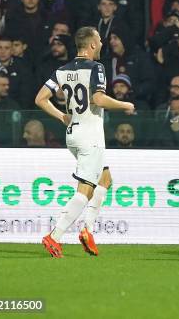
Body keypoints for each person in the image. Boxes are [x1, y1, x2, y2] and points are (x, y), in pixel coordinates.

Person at [36, 27, 134, 258]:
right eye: (99, 40)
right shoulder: (96, 67)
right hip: (90, 137)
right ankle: (55, 236)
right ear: (91, 44)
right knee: (85, 190)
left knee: (105, 179)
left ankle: (87, 230)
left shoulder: (62, 70)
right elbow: (98, 98)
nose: (101, 43)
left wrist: (62, 116)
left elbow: (40, 98)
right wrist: (125, 105)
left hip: (73, 133)